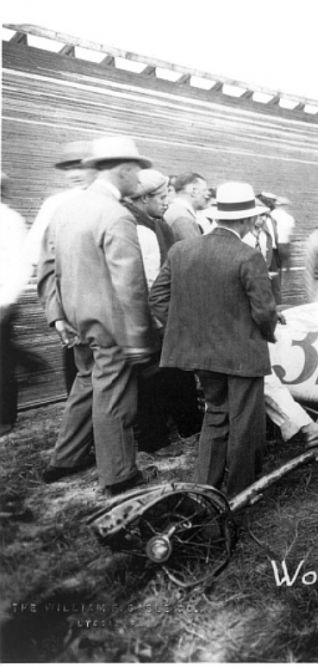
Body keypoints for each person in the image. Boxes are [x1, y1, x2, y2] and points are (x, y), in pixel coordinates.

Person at [37, 136, 158, 494]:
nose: (138, 181)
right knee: (114, 395)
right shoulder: (116, 215)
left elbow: (46, 264)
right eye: (136, 172)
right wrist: (139, 339)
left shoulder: (65, 209)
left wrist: (57, 314)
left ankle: (66, 458)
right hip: (111, 325)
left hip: (75, 320)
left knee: (87, 382)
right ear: (122, 170)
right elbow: (130, 283)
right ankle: (119, 475)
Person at [149, 182, 274, 496]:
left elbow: (157, 299)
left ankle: (204, 488)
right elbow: (263, 311)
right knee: (246, 424)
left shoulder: (181, 250)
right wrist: (268, 332)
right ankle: (243, 491)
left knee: (216, 414)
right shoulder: (248, 256)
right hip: (242, 354)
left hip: (200, 353)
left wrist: (188, 328)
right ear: (245, 221)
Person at [124, 169, 201, 448]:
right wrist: (162, 319)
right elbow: (148, 281)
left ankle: (165, 430)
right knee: (160, 376)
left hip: (152, 316)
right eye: (161, 196)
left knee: (159, 376)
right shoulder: (141, 228)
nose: (167, 201)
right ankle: (159, 435)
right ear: (143, 198)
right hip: (154, 317)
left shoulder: (150, 221)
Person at [28, 141, 97, 393]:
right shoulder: (56, 204)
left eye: (81, 165)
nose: (75, 173)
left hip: (110, 306)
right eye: (68, 168)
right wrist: (56, 312)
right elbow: (39, 258)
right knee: (81, 372)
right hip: (75, 305)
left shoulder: (112, 199)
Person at [1, 183, 28, 437]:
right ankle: (32, 363)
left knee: (2, 361)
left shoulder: (9, 219)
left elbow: (20, 264)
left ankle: (5, 418)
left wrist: (7, 300)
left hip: (1, 303)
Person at [164, 172, 211, 242]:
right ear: (194, 190)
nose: (208, 194)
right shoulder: (182, 218)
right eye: (204, 190)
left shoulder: (174, 210)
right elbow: (194, 250)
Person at [269, 195, 295, 300]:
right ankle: (278, 297)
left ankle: (273, 294)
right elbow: (289, 236)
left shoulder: (270, 215)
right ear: (285, 206)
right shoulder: (289, 218)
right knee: (280, 273)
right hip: (283, 245)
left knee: (272, 272)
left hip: (271, 245)